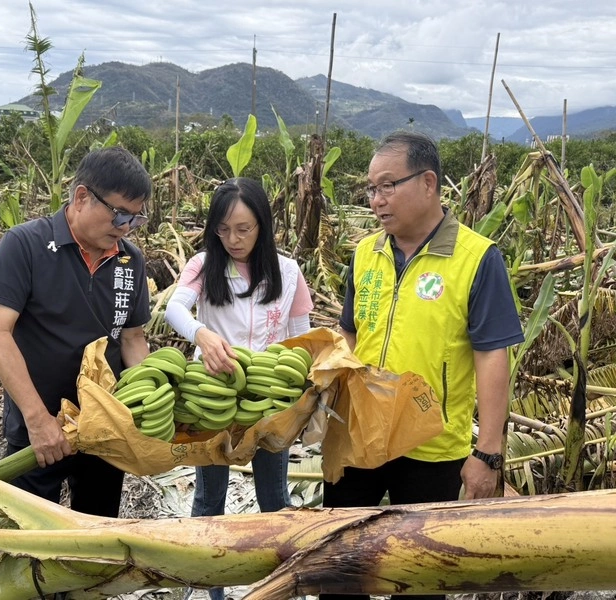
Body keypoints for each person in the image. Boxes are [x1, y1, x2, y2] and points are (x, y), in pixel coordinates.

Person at [322, 131, 524, 600]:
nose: (376, 200)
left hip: (433, 447)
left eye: (388, 186)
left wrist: (488, 452)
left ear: (428, 182)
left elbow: (493, 356)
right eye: (371, 189)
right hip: (359, 436)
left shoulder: (477, 259)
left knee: (419, 578)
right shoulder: (365, 252)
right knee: (339, 568)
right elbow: (350, 330)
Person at [0, 147, 153, 517]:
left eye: (134, 220)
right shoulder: (24, 245)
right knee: (32, 537)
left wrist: (147, 402)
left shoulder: (130, 261)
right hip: (38, 430)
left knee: (96, 533)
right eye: (119, 215)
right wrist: (38, 419)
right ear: (81, 197)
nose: (125, 228)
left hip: (104, 427)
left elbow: (134, 338)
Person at [165, 177, 313, 600]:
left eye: (244, 229)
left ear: (263, 225)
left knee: (274, 497)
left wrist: (302, 391)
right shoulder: (203, 263)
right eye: (224, 229)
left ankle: (284, 587)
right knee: (209, 495)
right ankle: (209, 590)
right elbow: (176, 306)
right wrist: (202, 335)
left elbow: (301, 334)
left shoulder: (286, 270)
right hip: (213, 399)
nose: (233, 239)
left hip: (268, 399)